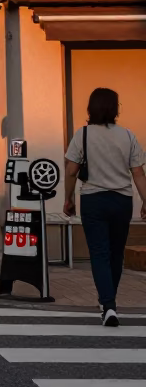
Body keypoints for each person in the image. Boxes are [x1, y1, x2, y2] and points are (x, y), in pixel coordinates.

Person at [63, 86, 146, 326]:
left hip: (93, 199)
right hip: (121, 201)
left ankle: (108, 305)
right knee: (116, 253)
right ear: (114, 109)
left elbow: (71, 170)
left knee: (99, 254)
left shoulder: (83, 134)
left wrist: (68, 198)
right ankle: (108, 301)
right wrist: (145, 200)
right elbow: (138, 173)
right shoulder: (128, 135)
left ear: (91, 108)